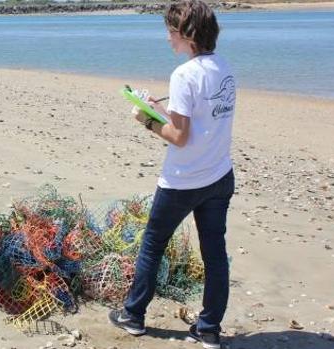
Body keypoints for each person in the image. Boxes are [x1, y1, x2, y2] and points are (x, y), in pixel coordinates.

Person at [108, 1, 236, 348]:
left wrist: (148, 121)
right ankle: (209, 328)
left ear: (188, 34)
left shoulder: (184, 74)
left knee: (152, 245)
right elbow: (194, 120)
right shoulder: (224, 67)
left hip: (183, 180)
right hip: (220, 176)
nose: (167, 38)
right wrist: (159, 107)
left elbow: (180, 137)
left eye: (171, 31)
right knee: (214, 252)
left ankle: (132, 316)